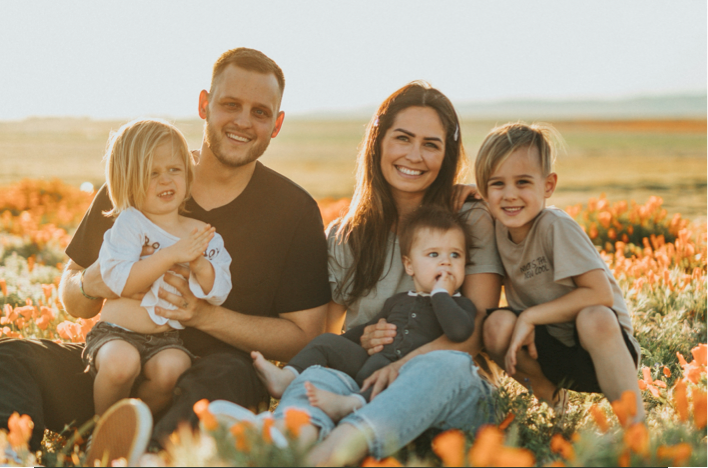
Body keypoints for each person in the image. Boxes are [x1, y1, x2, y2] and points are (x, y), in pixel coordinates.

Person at [0, 48, 331, 462]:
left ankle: (149, 456)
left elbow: (306, 335)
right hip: (115, 368)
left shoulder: (293, 211)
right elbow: (73, 293)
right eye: (230, 105)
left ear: (276, 124)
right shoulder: (139, 178)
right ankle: (6, 455)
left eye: (260, 112)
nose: (243, 121)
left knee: (227, 374)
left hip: (206, 381)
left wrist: (205, 316)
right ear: (205, 105)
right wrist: (90, 283)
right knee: (10, 356)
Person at [211, 81, 504, 466]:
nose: (414, 155)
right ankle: (285, 437)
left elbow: (475, 334)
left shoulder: (467, 219)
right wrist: (360, 338)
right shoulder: (346, 236)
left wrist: (400, 366)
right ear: (378, 142)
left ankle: (327, 457)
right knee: (321, 375)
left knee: (441, 366)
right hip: (362, 386)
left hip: (450, 393)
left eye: (431, 144)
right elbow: (324, 335)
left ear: (446, 155)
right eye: (403, 138)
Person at [476, 122, 644, 421]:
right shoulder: (496, 230)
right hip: (548, 351)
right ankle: (556, 408)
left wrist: (530, 315)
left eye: (523, 182)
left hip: (601, 349)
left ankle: (635, 428)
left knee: (595, 316)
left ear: (548, 186)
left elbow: (599, 293)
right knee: (495, 325)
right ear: (484, 191)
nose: (510, 195)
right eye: (498, 184)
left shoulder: (555, 226)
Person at [252, 205, 477, 419]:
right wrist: (344, 344)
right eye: (434, 255)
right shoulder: (397, 301)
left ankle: (351, 404)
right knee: (327, 341)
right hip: (371, 363)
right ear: (410, 266)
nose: (446, 263)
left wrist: (441, 294)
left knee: (387, 376)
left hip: (408, 375)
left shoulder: (461, 305)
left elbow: (458, 331)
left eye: (455, 255)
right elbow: (365, 329)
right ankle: (287, 377)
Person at [85, 118, 232, 418]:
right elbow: (120, 282)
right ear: (128, 180)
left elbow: (218, 292)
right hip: (116, 333)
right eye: (152, 173)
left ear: (188, 175)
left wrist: (199, 264)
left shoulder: (202, 233)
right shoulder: (129, 223)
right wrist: (170, 255)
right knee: (120, 364)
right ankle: (101, 430)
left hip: (166, 340)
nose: (166, 181)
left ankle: (138, 429)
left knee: (173, 369)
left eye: (174, 170)